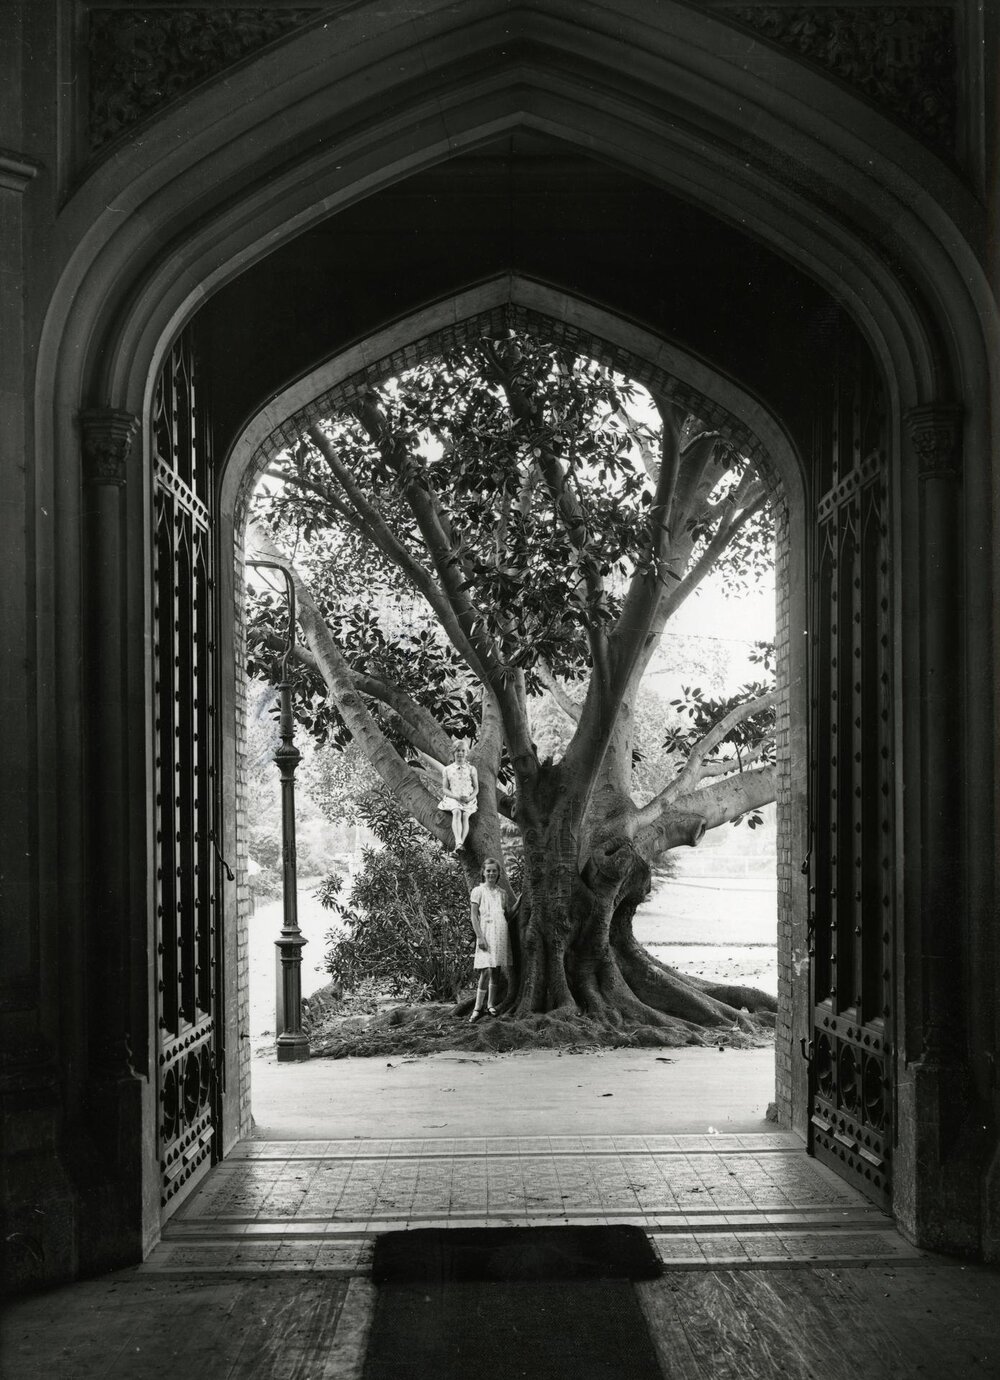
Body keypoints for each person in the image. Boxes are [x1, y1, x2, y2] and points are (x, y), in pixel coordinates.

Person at [468, 857, 511, 1021]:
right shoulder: (478, 891)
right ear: (483, 872)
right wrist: (480, 937)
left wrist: (522, 902)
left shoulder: (502, 893)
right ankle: (477, 1008)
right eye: (488, 871)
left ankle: (490, 1005)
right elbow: (474, 916)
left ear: (498, 873)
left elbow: (506, 914)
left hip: (500, 932)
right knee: (485, 970)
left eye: (494, 871)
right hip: (486, 932)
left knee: (496, 969)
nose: (491, 873)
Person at [438, 740, 478, 851]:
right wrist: (455, 797)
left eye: (463, 751)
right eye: (458, 750)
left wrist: (469, 798)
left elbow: (476, 788)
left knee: (465, 816)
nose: (460, 753)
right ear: (454, 752)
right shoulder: (447, 770)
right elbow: (445, 789)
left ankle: (460, 844)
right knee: (456, 812)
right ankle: (458, 842)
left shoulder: (471, 769)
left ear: (466, 753)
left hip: (468, 799)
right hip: (454, 798)